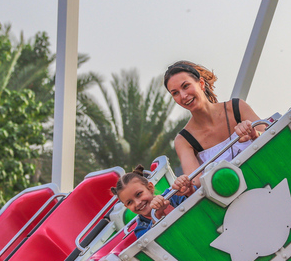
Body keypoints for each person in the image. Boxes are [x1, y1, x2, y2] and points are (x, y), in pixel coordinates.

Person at [164, 60, 265, 188]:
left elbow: (271, 136)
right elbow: (197, 185)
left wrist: (255, 134)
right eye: (175, 93)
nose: (183, 96)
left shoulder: (237, 108)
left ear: (201, 84)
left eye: (186, 86)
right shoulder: (184, 140)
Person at [111, 165, 194, 238]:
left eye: (139, 194)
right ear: (126, 206)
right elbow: (152, 242)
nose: (137, 203)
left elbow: (199, 205)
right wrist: (157, 215)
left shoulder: (173, 195)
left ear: (150, 187)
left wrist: (188, 191)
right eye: (129, 202)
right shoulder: (140, 229)